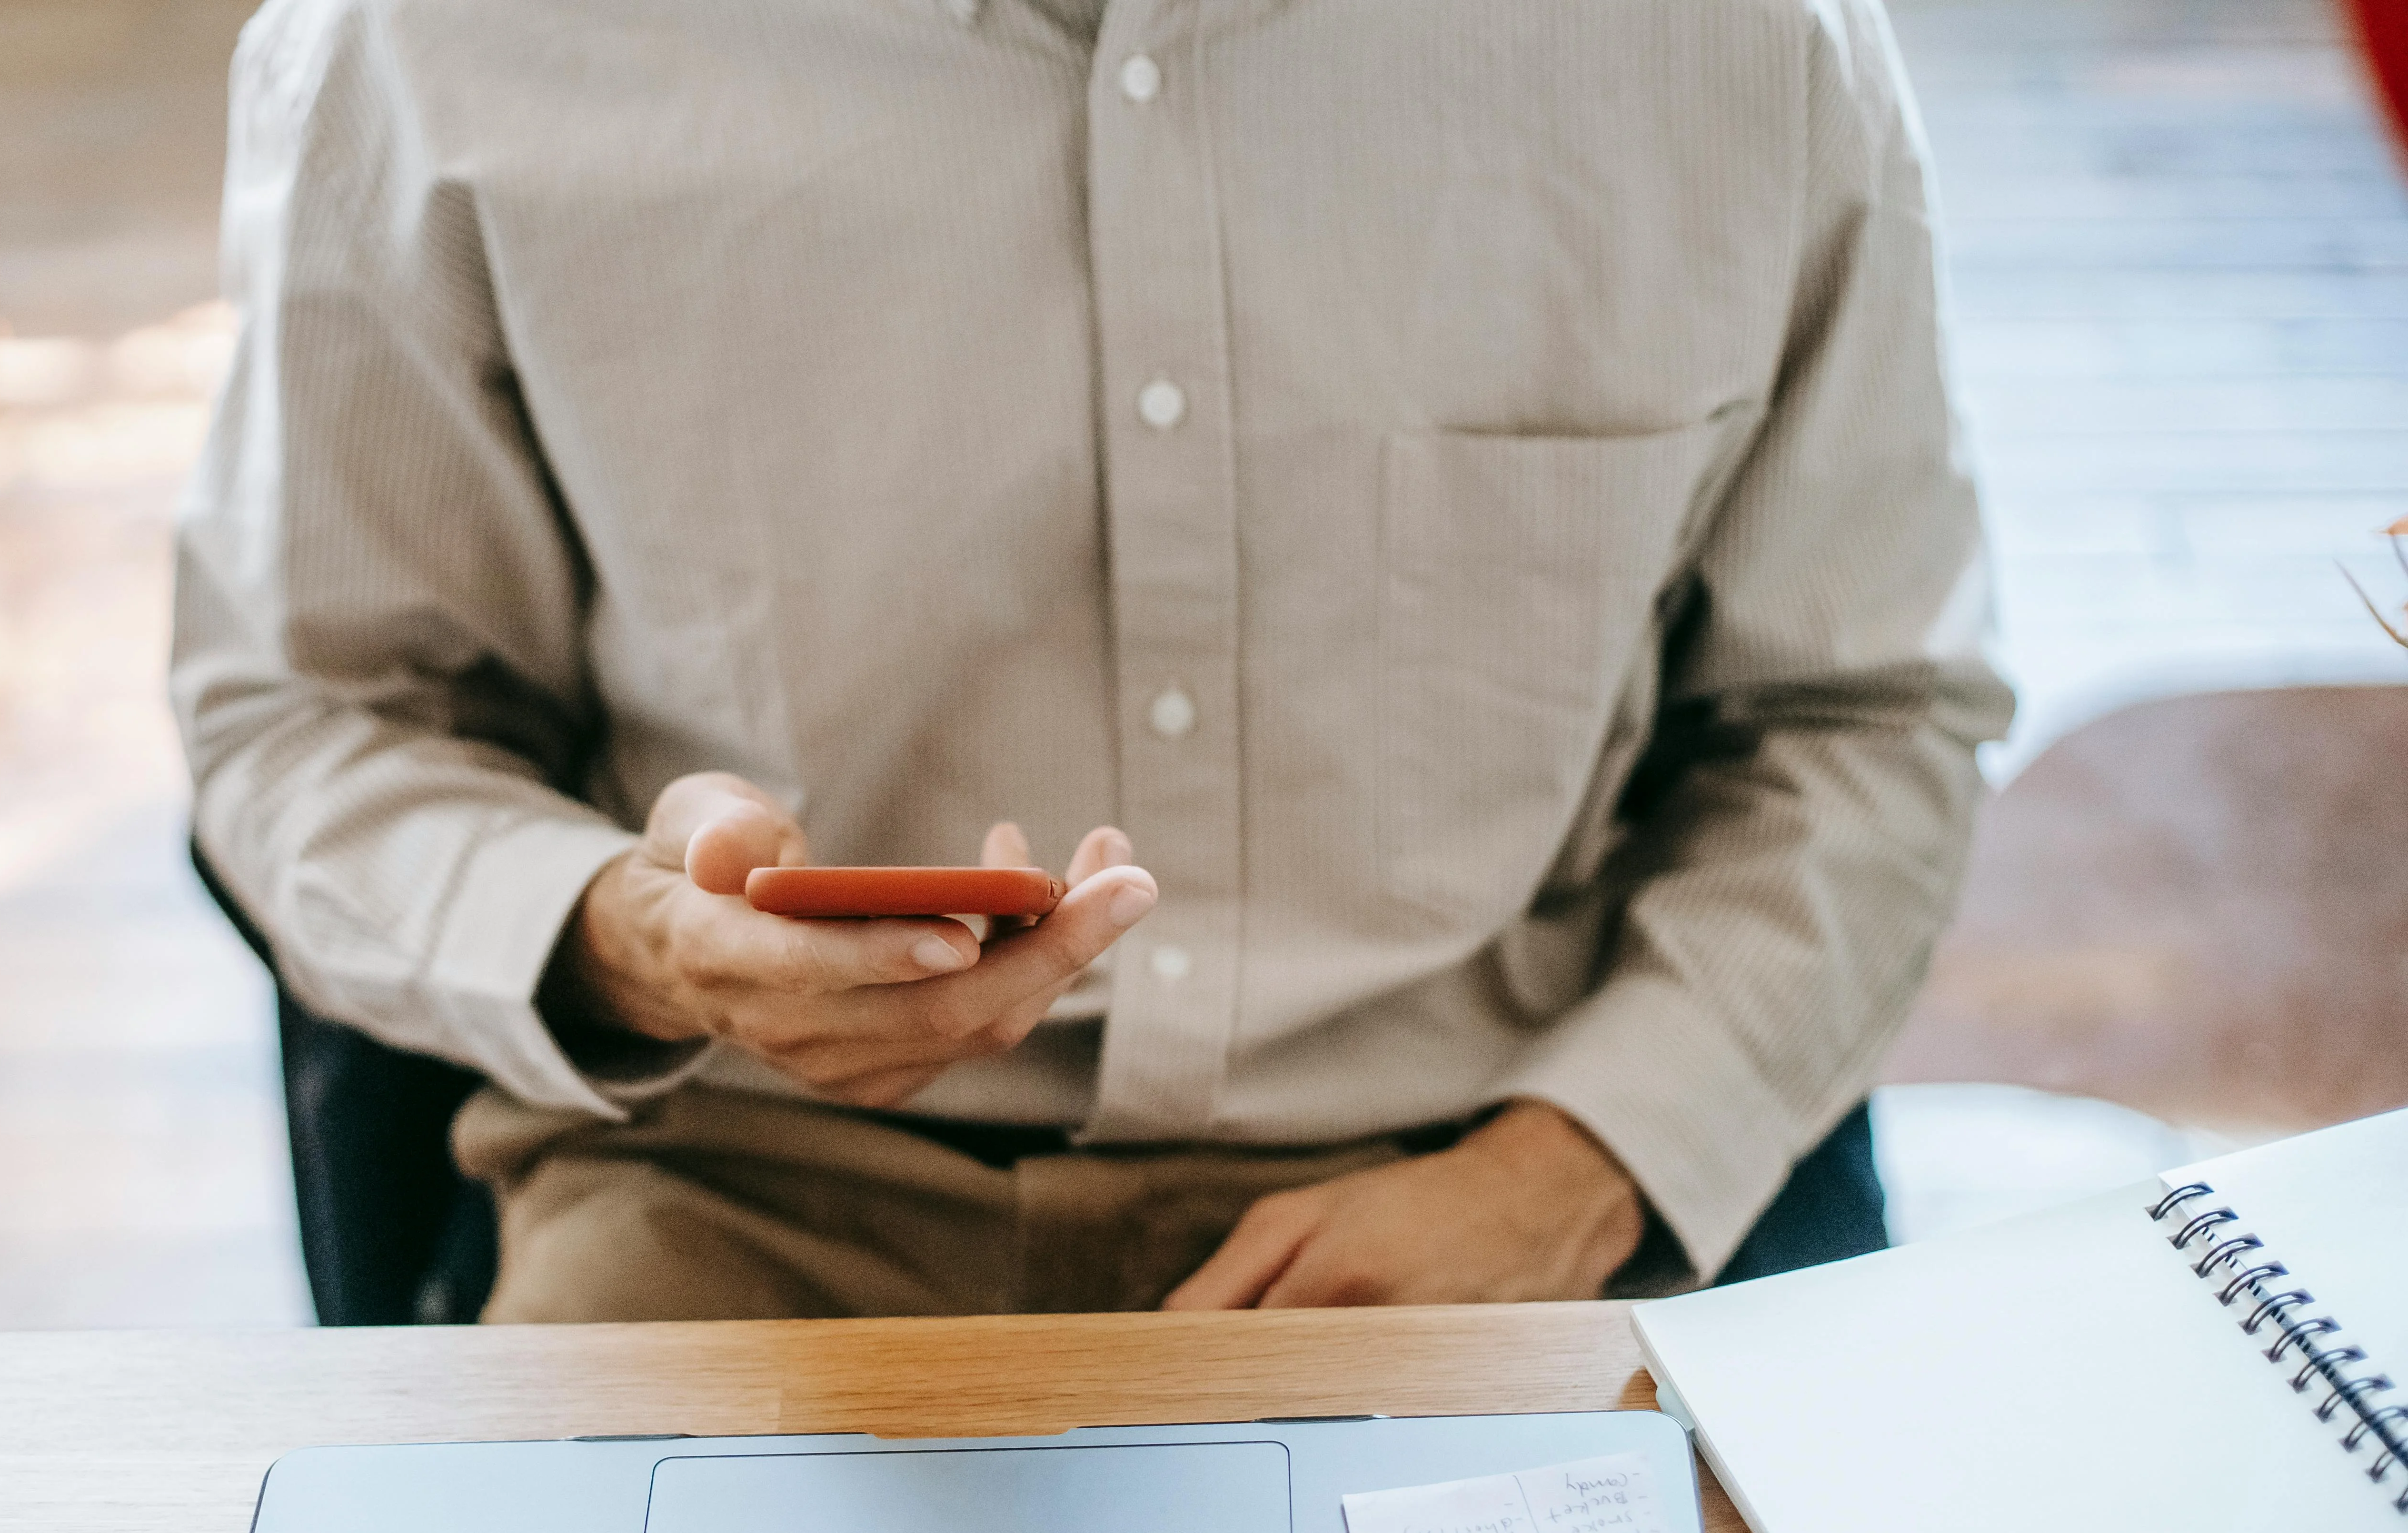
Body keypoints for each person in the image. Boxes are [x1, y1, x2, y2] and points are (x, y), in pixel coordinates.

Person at [173, 0, 2012, 1323]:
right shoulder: (429, 44)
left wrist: (1579, 1166)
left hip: (1492, 1177)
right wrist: (637, 943)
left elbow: (1868, 714)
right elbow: (313, 721)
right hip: (738, 1198)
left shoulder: (1738, 44)